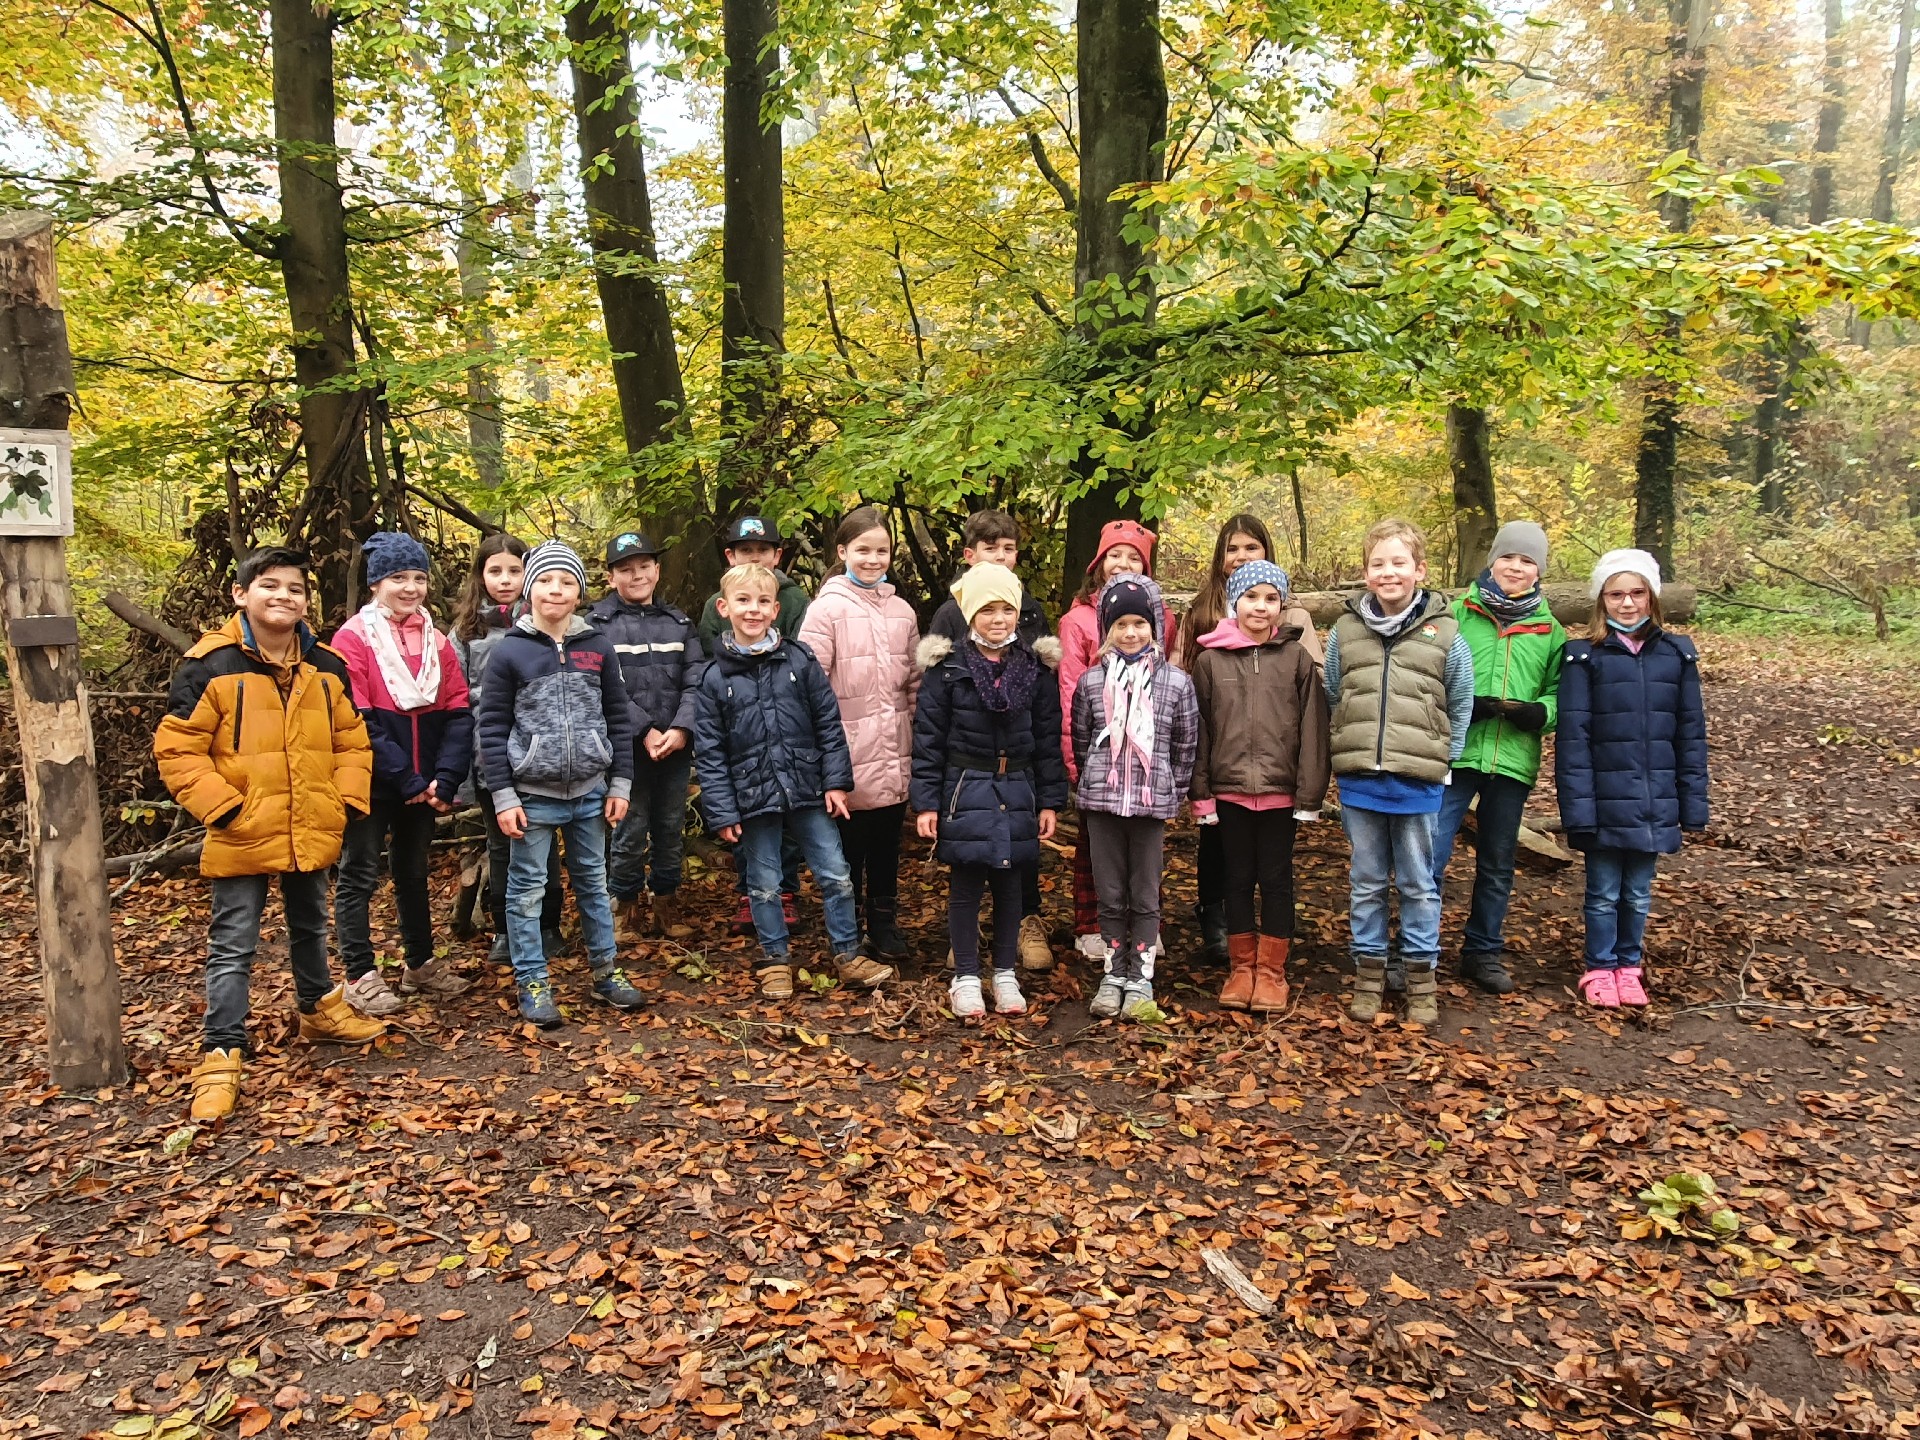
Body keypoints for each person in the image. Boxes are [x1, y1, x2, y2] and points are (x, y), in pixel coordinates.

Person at [153, 545, 385, 1122]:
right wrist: (225, 809)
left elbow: (351, 740)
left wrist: (344, 800)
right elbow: (178, 749)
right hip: (242, 829)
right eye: (270, 585)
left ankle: (318, 1009)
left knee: (311, 923)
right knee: (233, 942)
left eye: (295, 589)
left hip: (311, 822)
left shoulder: (326, 666)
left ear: (307, 601)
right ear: (241, 594)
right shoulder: (210, 666)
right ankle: (221, 1052)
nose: (284, 596)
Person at [694, 563, 895, 999]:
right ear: (724, 608)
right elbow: (710, 752)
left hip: (807, 788)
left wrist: (836, 782)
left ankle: (847, 952)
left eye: (763, 601)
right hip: (752, 797)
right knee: (764, 884)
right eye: (743, 601)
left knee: (836, 874)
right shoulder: (713, 678)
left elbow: (828, 723)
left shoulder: (799, 660)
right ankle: (775, 959)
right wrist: (723, 811)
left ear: (775, 609)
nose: (753, 609)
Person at [476, 540, 644, 1026]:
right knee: (527, 890)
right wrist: (503, 796)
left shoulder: (597, 647)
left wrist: (620, 784)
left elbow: (618, 718)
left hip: (591, 792)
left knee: (593, 883)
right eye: (546, 580)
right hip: (532, 795)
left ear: (580, 591)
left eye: (567, 581)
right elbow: (491, 727)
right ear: (529, 589)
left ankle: (606, 971)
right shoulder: (510, 652)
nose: (556, 589)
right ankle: (532, 979)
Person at [1324, 518, 1474, 1026]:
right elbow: (1335, 693)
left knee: (1417, 882)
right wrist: (1350, 742)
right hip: (1361, 778)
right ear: (1366, 573)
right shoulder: (1345, 631)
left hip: (1418, 778)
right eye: (1378, 564)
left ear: (1420, 570)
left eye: (1399, 563)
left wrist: (1444, 758)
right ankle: (1369, 974)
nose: (1388, 573)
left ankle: (1420, 980)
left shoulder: (1446, 633)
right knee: (1367, 881)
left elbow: (1460, 699)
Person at [913, 563, 1069, 1019]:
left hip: (1018, 787)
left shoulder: (1035, 669)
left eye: (1006, 609)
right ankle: (965, 975)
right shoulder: (948, 670)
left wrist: (1051, 800)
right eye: (987, 610)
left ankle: (1004, 973)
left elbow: (1047, 739)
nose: (998, 619)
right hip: (965, 788)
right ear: (970, 615)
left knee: (1010, 884)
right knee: (965, 884)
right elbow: (928, 740)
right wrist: (926, 803)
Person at [329, 532, 475, 1016]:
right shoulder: (353, 639)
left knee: (413, 870)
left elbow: (457, 711)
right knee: (359, 872)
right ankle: (359, 974)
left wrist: (445, 778)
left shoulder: (437, 640)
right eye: (398, 578)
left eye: (418, 577)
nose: (410, 588)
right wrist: (407, 779)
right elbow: (358, 719)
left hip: (427, 783)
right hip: (372, 778)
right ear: (376, 583)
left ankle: (420, 963)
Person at [1556, 549, 1709, 1009]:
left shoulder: (1676, 656)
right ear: (1601, 600)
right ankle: (1600, 967)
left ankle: (1629, 967)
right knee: (1603, 892)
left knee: (1638, 894)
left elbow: (1690, 735)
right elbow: (1573, 741)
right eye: (1616, 594)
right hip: (1604, 800)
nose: (1627, 603)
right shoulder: (1583, 658)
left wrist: (1692, 805)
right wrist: (1578, 810)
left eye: (1637, 593)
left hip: (1654, 800)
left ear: (1652, 597)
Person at [1177, 514, 1324, 965]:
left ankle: (1273, 953)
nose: (1240, 556)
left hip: (1276, 769)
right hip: (1225, 764)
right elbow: (1190, 692)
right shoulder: (1202, 620)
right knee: (1225, 860)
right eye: (1232, 548)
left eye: (1251, 547)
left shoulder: (1294, 633)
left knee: (1274, 869)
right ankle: (1221, 928)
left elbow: (1311, 701)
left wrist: (1308, 785)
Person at [1431, 521, 1565, 996]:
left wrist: (1540, 713)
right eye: (1508, 557)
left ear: (1539, 571)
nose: (1516, 567)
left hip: (1512, 759)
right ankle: (1418, 950)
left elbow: (1559, 692)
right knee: (1431, 852)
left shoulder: (1550, 631)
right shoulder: (1456, 615)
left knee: (1497, 860)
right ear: (1492, 561)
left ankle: (1482, 952)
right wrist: (1464, 706)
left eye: (1527, 561)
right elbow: (1429, 674)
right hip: (1457, 753)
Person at [928, 509, 1057, 972]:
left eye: (1008, 549)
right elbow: (936, 699)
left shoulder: (1030, 608)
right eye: (990, 548)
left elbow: (1044, 706)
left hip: (1018, 764)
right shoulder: (950, 612)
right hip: (969, 765)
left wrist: (1049, 789)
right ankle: (966, 940)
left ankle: (1025, 922)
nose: (1000, 557)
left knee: (1019, 852)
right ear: (970, 554)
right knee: (970, 857)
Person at [1071, 575, 1198, 1021]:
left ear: (1155, 627)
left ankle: (1140, 977)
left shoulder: (1176, 683)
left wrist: (1172, 791)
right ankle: (1113, 973)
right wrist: (1092, 781)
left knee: (1145, 894)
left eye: (1139, 624)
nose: (1130, 633)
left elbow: (1185, 745)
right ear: (1107, 629)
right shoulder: (1091, 682)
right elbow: (1082, 738)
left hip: (1149, 804)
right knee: (1109, 893)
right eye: (1120, 624)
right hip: (1103, 804)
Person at [799, 507, 921, 962]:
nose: (873, 559)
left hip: (895, 749)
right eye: (863, 550)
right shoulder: (826, 609)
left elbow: (914, 684)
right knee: (849, 849)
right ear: (842, 552)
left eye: (881, 551)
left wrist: (916, 739)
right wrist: (823, 755)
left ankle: (884, 924)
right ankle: (846, 929)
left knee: (887, 845)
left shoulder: (902, 611)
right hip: (846, 753)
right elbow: (810, 688)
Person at [1057, 520, 1176, 961]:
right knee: (1096, 845)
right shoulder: (1077, 620)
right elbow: (1070, 691)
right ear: (1098, 562)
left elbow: (1166, 678)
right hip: (1100, 755)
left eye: (1134, 558)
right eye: (1114, 555)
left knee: (1145, 849)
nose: (1123, 564)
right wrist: (1076, 763)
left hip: (1145, 756)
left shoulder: (1163, 617)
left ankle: (1143, 925)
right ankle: (1092, 924)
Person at [451, 533, 563, 964]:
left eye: (514, 570)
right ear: (480, 576)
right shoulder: (466, 632)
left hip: (541, 754)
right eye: (495, 571)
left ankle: (548, 925)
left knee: (545, 843)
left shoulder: (546, 624)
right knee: (501, 845)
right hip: (491, 757)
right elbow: (457, 702)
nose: (505, 580)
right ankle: (505, 930)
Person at [589, 530, 705, 944]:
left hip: (675, 747)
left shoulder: (679, 623)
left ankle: (665, 904)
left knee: (671, 827)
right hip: (626, 749)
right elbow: (604, 688)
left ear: (657, 570)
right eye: (626, 569)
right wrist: (644, 730)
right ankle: (623, 908)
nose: (637, 575)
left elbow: (696, 680)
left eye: (644, 566)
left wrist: (681, 728)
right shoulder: (597, 626)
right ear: (611, 577)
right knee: (629, 827)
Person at [696, 514, 809, 936]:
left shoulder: (793, 601)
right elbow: (711, 659)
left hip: (786, 719)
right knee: (748, 810)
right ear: (731, 556)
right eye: (746, 551)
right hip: (738, 721)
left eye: (764, 550)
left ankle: (786, 890)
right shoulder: (717, 604)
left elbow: (802, 652)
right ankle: (750, 891)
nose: (755, 557)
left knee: (787, 811)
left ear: (778, 555)